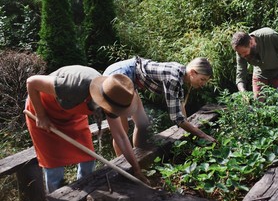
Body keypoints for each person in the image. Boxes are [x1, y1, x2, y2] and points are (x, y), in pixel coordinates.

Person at [25, 65, 149, 193]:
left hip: (71, 114)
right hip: (43, 109)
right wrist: (41, 115)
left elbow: (121, 137)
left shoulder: (113, 97)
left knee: (87, 157)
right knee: (54, 165)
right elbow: (31, 82)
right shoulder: (73, 87)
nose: (114, 112)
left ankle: (83, 192)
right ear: (102, 99)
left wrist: (136, 169)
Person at [103, 56, 216, 156]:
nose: (203, 84)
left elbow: (180, 105)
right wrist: (203, 135)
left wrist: (188, 131)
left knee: (142, 124)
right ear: (192, 72)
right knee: (122, 129)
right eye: (202, 79)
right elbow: (177, 118)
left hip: (131, 77)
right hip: (118, 76)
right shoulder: (173, 79)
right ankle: (123, 166)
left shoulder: (181, 73)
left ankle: (138, 158)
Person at [231, 27, 278, 99]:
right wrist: (242, 92)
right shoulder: (241, 51)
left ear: (251, 43)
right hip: (260, 73)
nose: (242, 56)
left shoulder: (270, 36)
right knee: (258, 102)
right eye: (240, 54)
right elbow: (240, 73)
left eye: (244, 52)